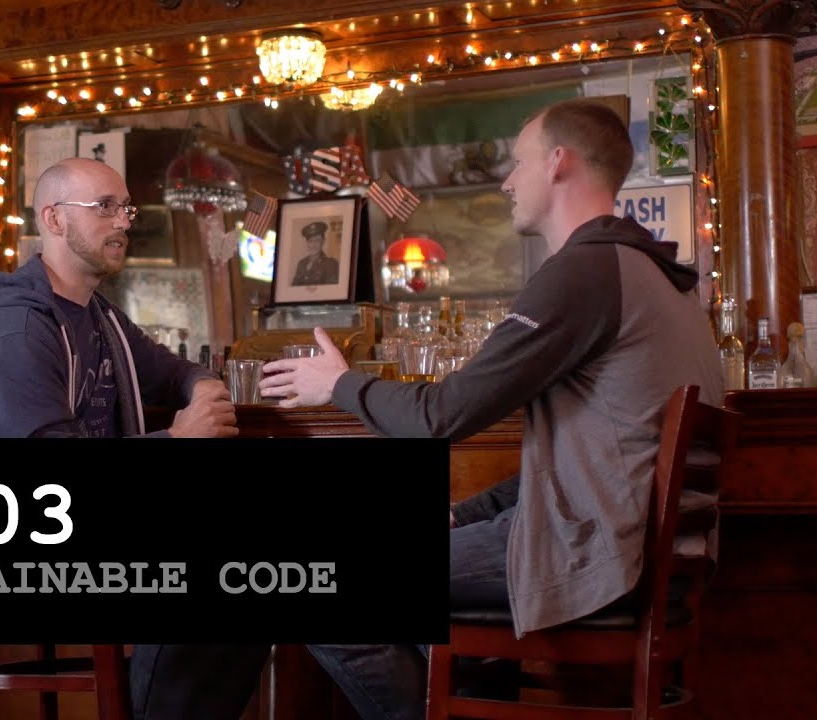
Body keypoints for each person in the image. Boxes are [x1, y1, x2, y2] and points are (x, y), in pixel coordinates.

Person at [255, 97, 724, 714]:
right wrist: (462, 515)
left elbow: (441, 416)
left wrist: (338, 385)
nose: (506, 180)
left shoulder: (585, 272)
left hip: (596, 553)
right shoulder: (659, 276)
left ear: (558, 162)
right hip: (640, 552)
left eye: (518, 161)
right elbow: (593, 461)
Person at [0, 157, 237, 439]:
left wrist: (203, 384)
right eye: (105, 206)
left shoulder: (103, 317)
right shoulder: (16, 328)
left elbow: (169, 373)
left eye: (126, 208)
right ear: (54, 219)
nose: (124, 223)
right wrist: (180, 434)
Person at [291, 220, 339, 285]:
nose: (313, 245)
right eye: (310, 241)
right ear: (307, 243)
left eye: (317, 240)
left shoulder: (331, 264)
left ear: (323, 241)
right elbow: (294, 288)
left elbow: (330, 289)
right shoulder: (301, 264)